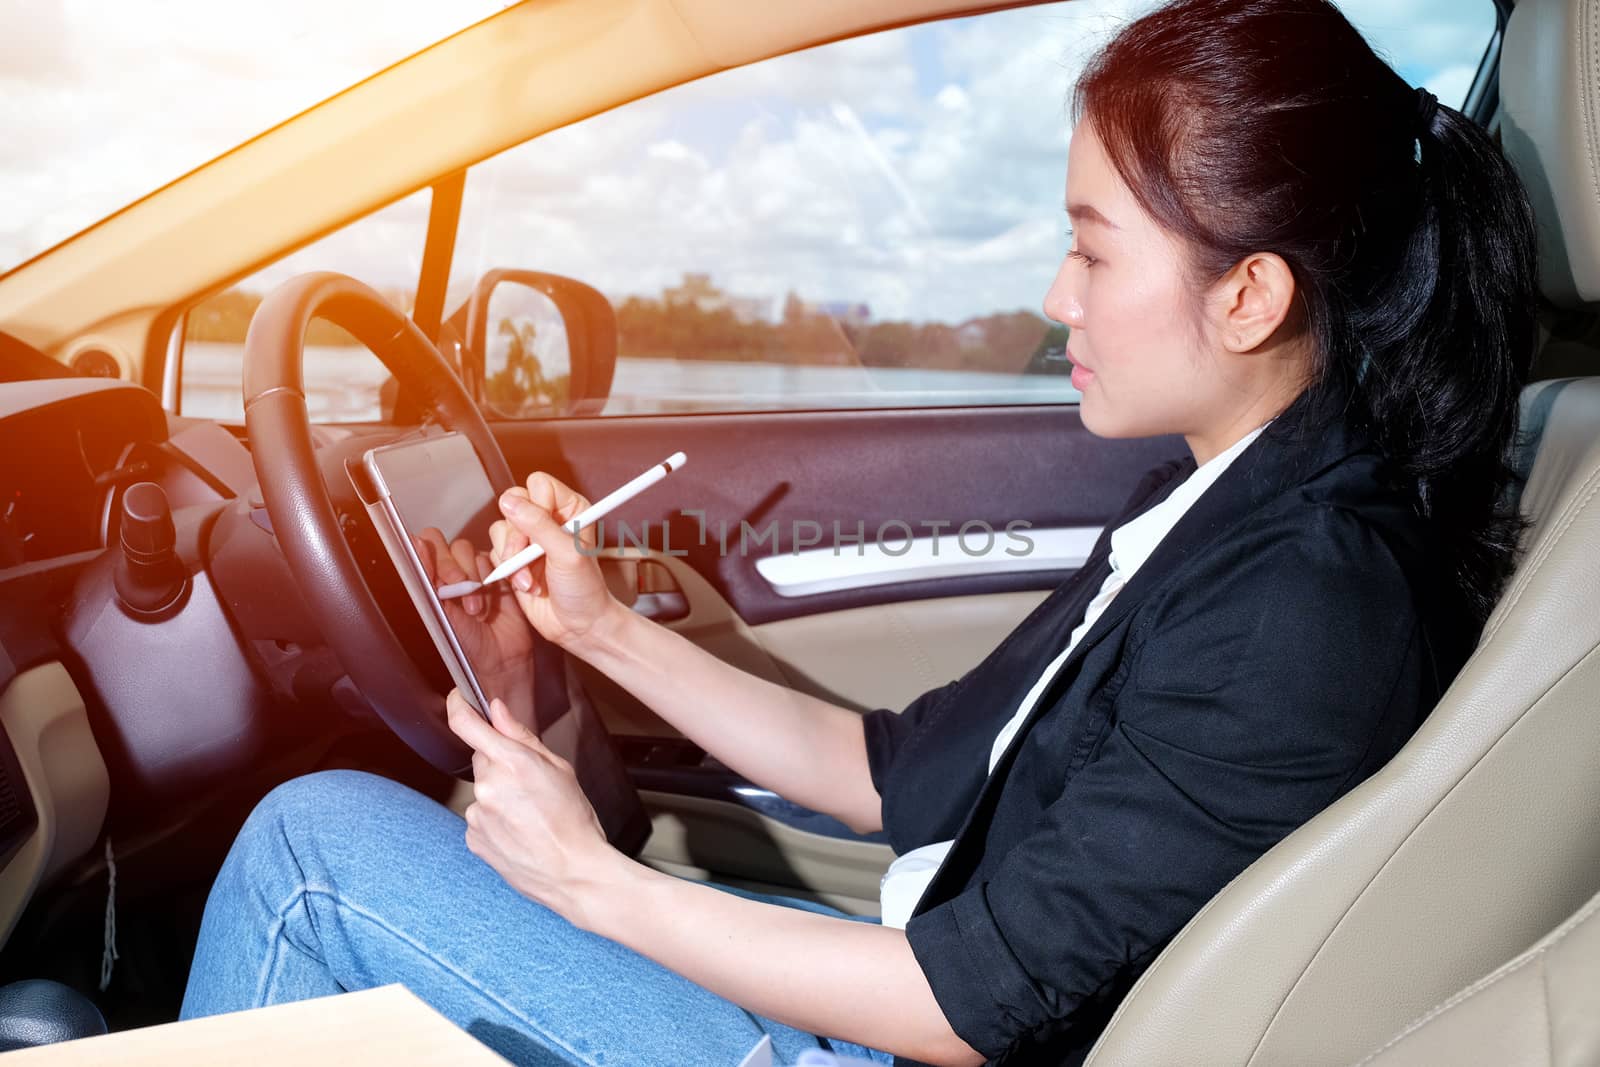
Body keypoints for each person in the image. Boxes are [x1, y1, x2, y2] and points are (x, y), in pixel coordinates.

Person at [180, 1, 1540, 1063]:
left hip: (908, 1041)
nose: (1058, 296)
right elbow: (892, 773)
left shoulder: (1300, 610)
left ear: (1246, 296)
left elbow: (963, 1007)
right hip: (898, 989)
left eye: (1095, 251)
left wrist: (595, 884)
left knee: (314, 850)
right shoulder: (1227, 503)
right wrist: (596, 629)